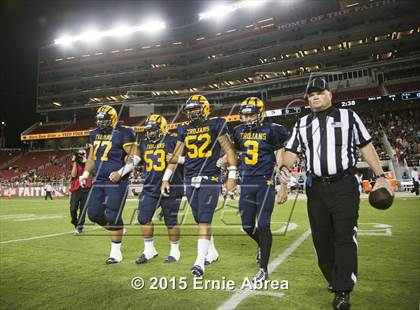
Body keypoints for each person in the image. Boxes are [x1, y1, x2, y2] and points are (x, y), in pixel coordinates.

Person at [277, 77, 394, 310]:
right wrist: (283, 167)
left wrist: (381, 175)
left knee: (344, 237)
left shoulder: (348, 117)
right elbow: (291, 151)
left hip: (344, 185)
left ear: (330, 94)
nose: (315, 97)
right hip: (316, 188)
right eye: (310, 95)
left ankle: (342, 290)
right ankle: (335, 278)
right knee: (322, 240)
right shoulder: (302, 123)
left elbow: (366, 146)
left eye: (319, 93)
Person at [162, 94, 237, 277]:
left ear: (204, 109)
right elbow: (176, 156)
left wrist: (232, 176)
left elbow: (229, 150)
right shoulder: (183, 129)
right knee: (199, 219)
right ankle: (212, 252)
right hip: (190, 178)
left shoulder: (216, 124)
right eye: (190, 110)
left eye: (196, 109)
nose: (192, 113)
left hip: (209, 178)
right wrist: (166, 178)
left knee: (204, 220)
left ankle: (199, 262)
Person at [232, 97, 288, 282]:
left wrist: (283, 183)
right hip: (246, 182)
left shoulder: (273, 129)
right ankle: (261, 245)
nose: (248, 119)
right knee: (247, 226)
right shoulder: (238, 131)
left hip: (265, 182)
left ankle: (263, 269)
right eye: (245, 115)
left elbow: (279, 154)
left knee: (263, 225)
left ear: (260, 114)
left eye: (252, 115)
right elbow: (238, 152)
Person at [79, 105, 139, 264]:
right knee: (93, 214)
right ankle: (119, 229)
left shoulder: (124, 132)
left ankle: (115, 253)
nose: (101, 123)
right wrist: (85, 173)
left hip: (117, 180)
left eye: (104, 120)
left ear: (113, 119)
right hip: (98, 179)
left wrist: (121, 172)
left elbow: (136, 157)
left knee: (113, 215)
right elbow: (91, 158)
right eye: (99, 120)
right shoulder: (93, 134)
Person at [135, 114, 184, 264]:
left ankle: (175, 251)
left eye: (154, 130)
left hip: (172, 186)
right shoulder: (143, 143)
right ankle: (149, 250)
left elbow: (178, 160)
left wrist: (166, 178)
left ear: (162, 128)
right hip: (150, 187)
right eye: (148, 130)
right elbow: (136, 159)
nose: (150, 133)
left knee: (171, 221)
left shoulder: (173, 140)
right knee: (143, 218)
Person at [69, 149, 92, 234]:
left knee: (83, 209)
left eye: (83, 153)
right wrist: (75, 162)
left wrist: (86, 161)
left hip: (87, 187)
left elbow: (91, 172)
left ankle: (80, 227)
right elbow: (73, 175)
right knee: (73, 208)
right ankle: (75, 222)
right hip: (76, 188)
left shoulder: (89, 163)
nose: (82, 155)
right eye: (80, 154)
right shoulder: (76, 163)